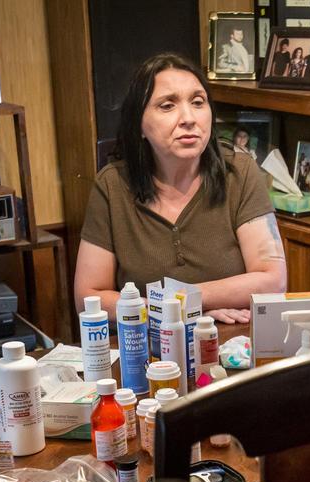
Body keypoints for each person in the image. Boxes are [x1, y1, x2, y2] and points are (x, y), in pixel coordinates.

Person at [74, 53, 286, 324]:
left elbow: (273, 280)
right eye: (167, 106)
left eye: (198, 102)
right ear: (139, 124)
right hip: (147, 347)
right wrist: (184, 313)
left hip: (232, 340)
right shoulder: (112, 185)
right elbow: (88, 297)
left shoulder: (240, 173)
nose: (188, 118)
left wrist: (187, 300)